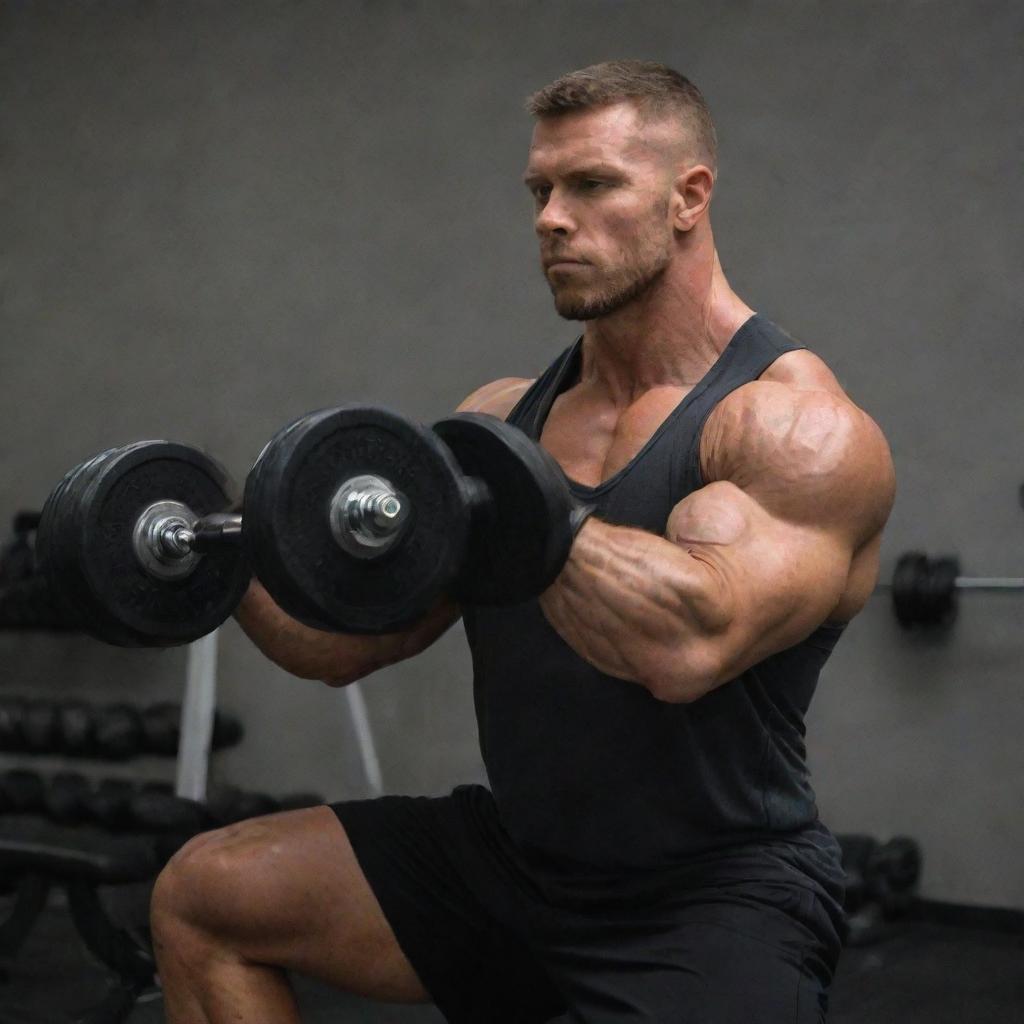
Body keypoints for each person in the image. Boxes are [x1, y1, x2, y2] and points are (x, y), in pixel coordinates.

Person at [150, 60, 895, 1023]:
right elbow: (342, 645)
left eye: (591, 185)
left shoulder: (792, 427)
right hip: (520, 861)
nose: (551, 218)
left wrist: (508, 503)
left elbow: (685, 644)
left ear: (688, 197)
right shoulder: (504, 420)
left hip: (711, 895)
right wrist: (211, 549)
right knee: (207, 896)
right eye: (540, 190)